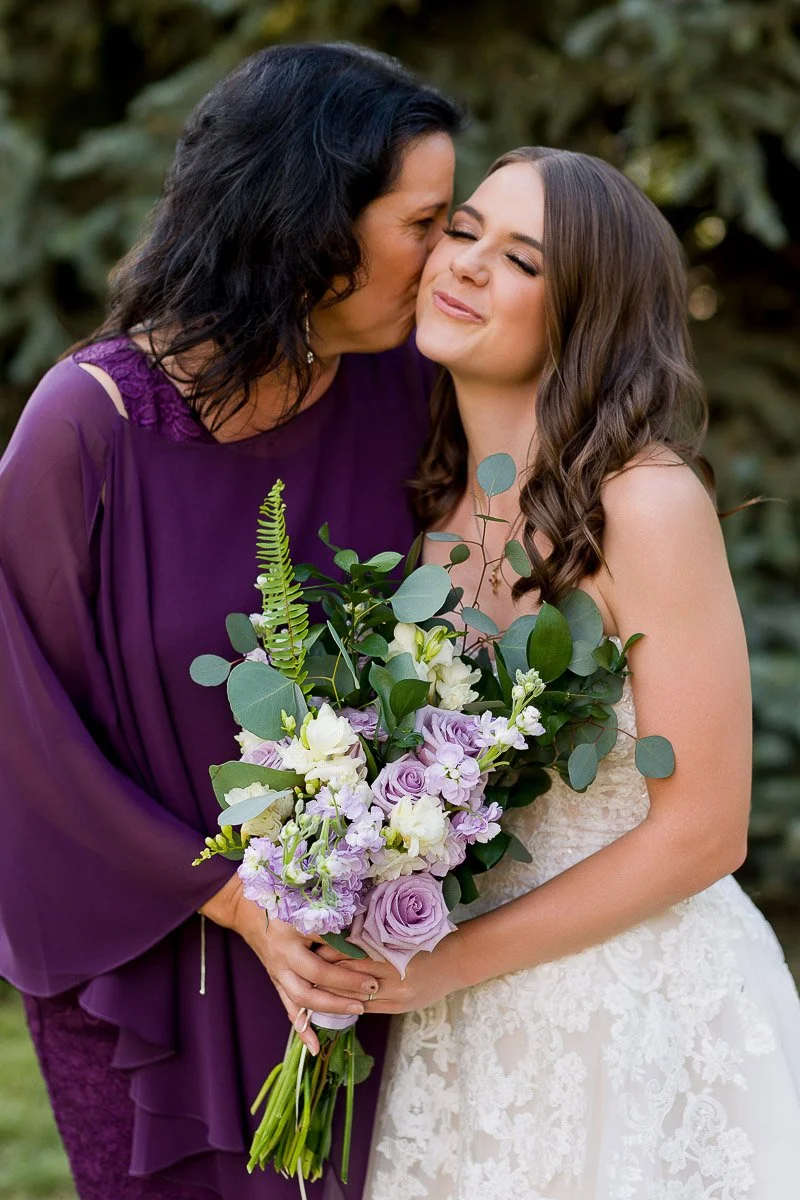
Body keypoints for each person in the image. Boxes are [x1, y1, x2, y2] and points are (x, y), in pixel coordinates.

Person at [0, 43, 461, 1200]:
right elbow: (21, 734)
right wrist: (236, 903)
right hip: (144, 968)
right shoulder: (89, 425)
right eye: (426, 221)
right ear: (313, 224)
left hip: (358, 956)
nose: (446, 256)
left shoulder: (413, 393)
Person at [327, 147, 800, 1198]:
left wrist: (441, 964)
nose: (466, 265)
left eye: (519, 258)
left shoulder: (645, 502)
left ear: (583, 311)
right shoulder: (433, 517)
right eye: (463, 233)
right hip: (457, 1028)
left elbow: (703, 830)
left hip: (634, 1013)